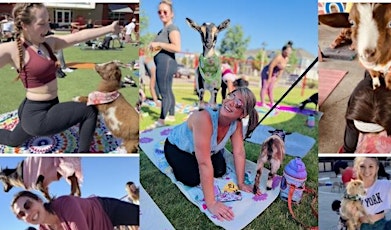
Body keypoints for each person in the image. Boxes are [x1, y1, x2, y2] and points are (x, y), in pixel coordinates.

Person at [0, 3, 120, 153]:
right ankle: (83, 155)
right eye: (41, 24)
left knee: (13, 140)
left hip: (46, 107)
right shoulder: (12, 49)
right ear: (25, 25)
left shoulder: (48, 43)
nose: (47, 28)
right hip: (35, 115)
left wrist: (109, 28)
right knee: (89, 111)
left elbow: (78, 37)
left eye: (48, 21)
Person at [164, 87, 259, 221]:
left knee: (220, 171)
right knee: (192, 179)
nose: (231, 102)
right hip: (177, 147)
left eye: (238, 103)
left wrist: (241, 182)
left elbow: (239, 152)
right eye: (231, 96)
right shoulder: (204, 118)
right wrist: (212, 203)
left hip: (206, 150)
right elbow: (204, 163)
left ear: (242, 114)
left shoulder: (236, 124)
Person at [11, 190, 139, 230]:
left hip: (106, 210)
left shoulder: (65, 204)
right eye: (21, 214)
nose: (27, 213)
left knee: (145, 216)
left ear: (39, 200)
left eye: (27, 205)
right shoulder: (43, 229)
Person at [149, 0, 181, 127]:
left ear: (172, 14)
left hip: (167, 62)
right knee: (168, 90)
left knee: (164, 91)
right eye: (159, 12)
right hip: (163, 61)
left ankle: (161, 120)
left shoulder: (172, 28)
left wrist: (158, 44)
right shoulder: (162, 30)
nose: (162, 14)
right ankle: (172, 115)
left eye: (165, 11)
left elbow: (177, 47)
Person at [259, 41, 292, 108]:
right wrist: (269, 78)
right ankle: (263, 103)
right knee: (265, 87)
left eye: (290, 51)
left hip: (274, 74)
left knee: (271, 88)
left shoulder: (286, 59)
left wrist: (277, 80)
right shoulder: (278, 57)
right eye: (288, 51)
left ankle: (272, 102)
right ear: (283, 51)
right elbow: (271, 66)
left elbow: (281, 70)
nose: (289, 52)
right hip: (267, 72)